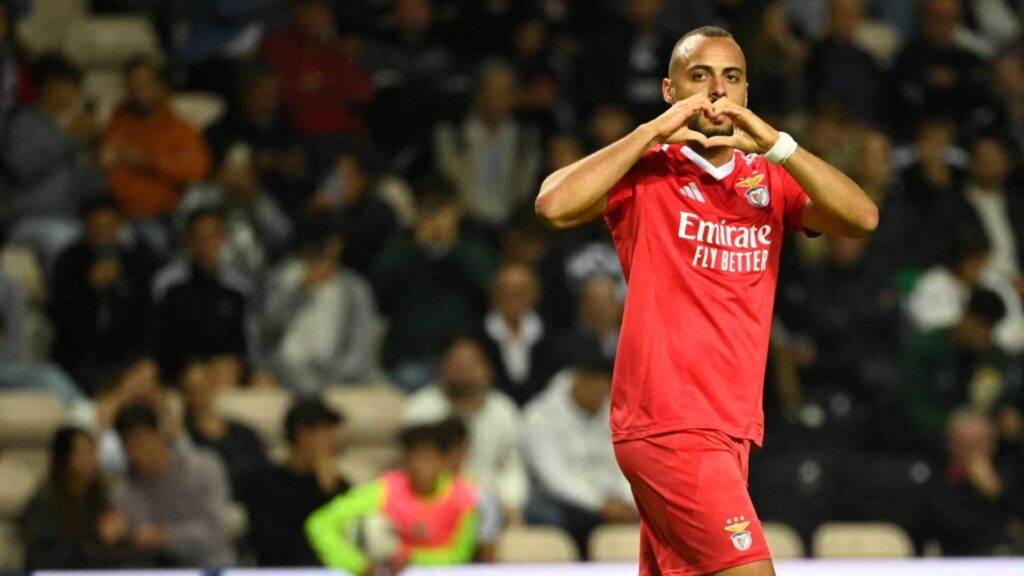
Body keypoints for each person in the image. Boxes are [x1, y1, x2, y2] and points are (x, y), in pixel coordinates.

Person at [534, 25, 877, 576]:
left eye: (731, 78)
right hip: (669, 424)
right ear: (671, 90)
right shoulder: (646, 172)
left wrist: (780, 146)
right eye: (700, 77)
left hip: (730, 427)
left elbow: (862, 218)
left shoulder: (767, 175)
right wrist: (651, 134)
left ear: (745, 93)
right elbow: (553, 204)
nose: (717, 91)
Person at [370, 176, 494, 391]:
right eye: (428, 207)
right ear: (415, 210)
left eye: (443, 207)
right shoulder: (400, 245)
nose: (435, 215)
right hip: (409, 358)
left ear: (457, 209)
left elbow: (488, 287)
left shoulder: (473, 246)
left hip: (458, 359)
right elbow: (379, 288)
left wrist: (452, 247)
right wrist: (416, 246)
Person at [305, 422, 480, 574]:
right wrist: (357, 565)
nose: (419, 465)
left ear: (444, 460)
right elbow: (320, 523)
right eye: (412, 456)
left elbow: (460, 555)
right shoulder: (386, 489)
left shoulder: (464, 498)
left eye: (427, 457)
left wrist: (411, 557)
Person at [522, 342, 636, 559]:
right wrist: (598, 504)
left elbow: (623, 463)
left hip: (611, 500)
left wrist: (627, 502)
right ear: (580, 379)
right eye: (598, 386)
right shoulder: (540, 416)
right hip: (557, 502)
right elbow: (553, 477)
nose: (603, 395)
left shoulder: (613, 411)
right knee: (570, 520)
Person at [403, 337, 529, 522]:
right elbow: (413, 464)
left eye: (469, 364)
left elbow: (512, 466)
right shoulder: (421, 408)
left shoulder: (503, 411)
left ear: (488, 370)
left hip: (491, 499)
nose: (462, 371)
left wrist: (510, 502)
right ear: (443, 368)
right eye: (455, 364)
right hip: (434, 498)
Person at [49, 197, 157, 395]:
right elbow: (59, 315)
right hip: (78, 357)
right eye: (96, 228)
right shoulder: (70, 262)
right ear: (85, 229)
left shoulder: (138, 262)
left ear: (119, 225)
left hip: (125, 358)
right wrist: (89, 287)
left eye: (108, 226)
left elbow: (146, 319)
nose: (103, 234)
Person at [262, 216, 379, 393]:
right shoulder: (282, 279)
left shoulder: (355, 288)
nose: (330, 253)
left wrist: (343, 376)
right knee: (309, 386)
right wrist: (300, 292)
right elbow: (266, 333)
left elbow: (361, 345)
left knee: (381, 386)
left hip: (337, 370)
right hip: (289, 367)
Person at [111, 402, 235, 568]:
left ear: (159, 434)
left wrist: (165, 537)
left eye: (140, 441)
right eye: (127, 446)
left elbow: (215, 531)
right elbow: (132, 539)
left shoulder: (204, 467)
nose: (135, 453)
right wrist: (123, 534)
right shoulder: (122, 490)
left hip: (209, 566)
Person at [235, 397, 352, 567]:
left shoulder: (339, 486)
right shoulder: (263, 484)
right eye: (325, 433)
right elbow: (270, 545)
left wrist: (328, 491)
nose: (332, 441)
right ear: (301, 435)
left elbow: (348, 539)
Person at [100, 56, 211, 222]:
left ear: (161, 86)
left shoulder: (180, 128)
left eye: (146, 83)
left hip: (168, 215)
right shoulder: (119, 122)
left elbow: (197, 170)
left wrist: (147, 161)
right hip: (123, 218)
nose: (139, 90)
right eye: (133, 84)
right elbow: (106, 160)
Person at [152, 206, 253, 379]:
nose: (206, 245)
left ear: (224, 239)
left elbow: (246, 342)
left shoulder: (240, 288)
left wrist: (235, 364)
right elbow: (160, 340)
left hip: (226, 369)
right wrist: (193, 365)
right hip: (180, 369)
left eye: (212, 237)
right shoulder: (167, 284)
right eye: (199, 238)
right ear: (188, 242)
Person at [21, 426, 135, 569]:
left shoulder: (100, 494)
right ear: (64, 458)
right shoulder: (45, 502)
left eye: (92, 451)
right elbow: (42, 556)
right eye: (82, 453)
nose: (91, 460)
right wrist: (98, 538)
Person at [924, 410, 1024, 555]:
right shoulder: (940, 480)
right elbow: (949, 528)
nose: (975, 451)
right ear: (953, 447)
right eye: (967, 445)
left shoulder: (1010, 473)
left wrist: (997, 492)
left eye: (981, 442)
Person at [180, 357, 269, 493]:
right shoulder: (187, 441)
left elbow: (265, 466)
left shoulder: (243, 432)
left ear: (213, 388)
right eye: (193, 391)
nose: (200, 396)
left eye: (204, 388)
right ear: (185, 395)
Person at [476, 263, 558, 407]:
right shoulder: (476, 336)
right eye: (507, 293)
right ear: (494, 295)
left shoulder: (551, 335)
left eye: (521, 293)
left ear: (534, 296)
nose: (513, 300)